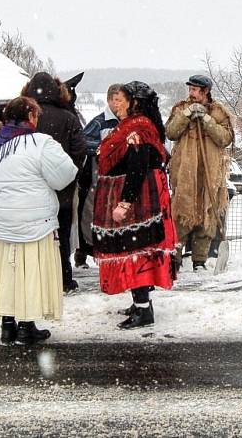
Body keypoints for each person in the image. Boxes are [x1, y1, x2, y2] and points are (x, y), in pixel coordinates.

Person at [0, 97, 78, 346]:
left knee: (8, 273)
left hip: (5, 219)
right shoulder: (40, 143)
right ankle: (26, 326)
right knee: (31, 272)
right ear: (31, 116)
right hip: (35, 220)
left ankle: (7, 324)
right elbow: (64, 175)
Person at [92, 81, 177, 329]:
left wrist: (125, 202)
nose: (116, 105)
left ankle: (143, 309)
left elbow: (138, 166)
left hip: (137, 196)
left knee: (136, 250)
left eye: (122, 99)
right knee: (134, 248)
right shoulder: (134, 126)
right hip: (138, 192)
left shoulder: (137, 128)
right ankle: (139, 302)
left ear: (135, 102)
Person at [21, 72, 86, 293]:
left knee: (35, 235)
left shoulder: (26, 116)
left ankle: (37, 278)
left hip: (31, 189)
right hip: (63, 190)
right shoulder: (67, 117)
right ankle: (63, 277)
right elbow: (80, 149)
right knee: (62, 233)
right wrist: (69, 173)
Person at [166, 74, 235, 271]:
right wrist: (186, 115)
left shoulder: (218, 112)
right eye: (190, 89)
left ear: (205, 91)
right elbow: (171, 132)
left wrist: (207, 120)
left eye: (195, 90)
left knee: (207, 215)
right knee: (181, 214)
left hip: (210, 173)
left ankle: (199, 260)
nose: (191, 93)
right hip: (185, 173)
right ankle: (175, 259)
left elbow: (225, 138)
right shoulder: (180, 108)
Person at [74, 83, 123, 269]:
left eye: (122, 100)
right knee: (91, 212)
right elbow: (84, 143)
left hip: (118, 176)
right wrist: (104, 149)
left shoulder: (126, 120)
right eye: (116, 100)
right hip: (97, 175)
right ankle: (86, 249)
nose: (118, 105)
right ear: (109, 100)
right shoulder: (99, 122)